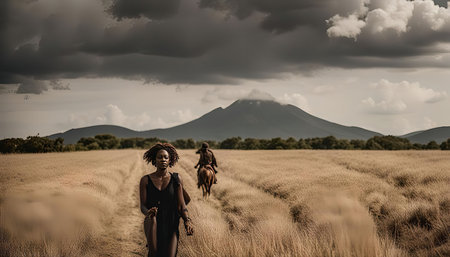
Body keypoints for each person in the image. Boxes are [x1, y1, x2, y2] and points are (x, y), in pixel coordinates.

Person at [139, 143, 194, 257]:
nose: (163, 159)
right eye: (160, 157)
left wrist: (187, 220)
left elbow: (181, 205)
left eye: (166, 157)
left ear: (170, 160)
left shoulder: (176, 179)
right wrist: (148, 212)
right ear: (154, 159)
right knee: (154, 254)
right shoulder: (145, 180)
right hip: (153, 221)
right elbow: (143, 206)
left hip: (172, 223)